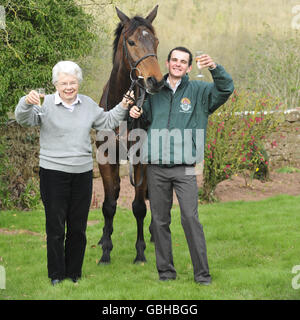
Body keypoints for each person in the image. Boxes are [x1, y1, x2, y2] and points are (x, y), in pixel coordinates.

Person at [15, 60, 136, 286]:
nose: (69, 87)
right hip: (53, 174)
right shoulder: (45, 103)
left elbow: (108, 121)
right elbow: (24, 119)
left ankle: (74, 274)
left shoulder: (88, 105)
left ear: (78, 83)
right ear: (55, 84)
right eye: (64, 83)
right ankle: (56, 275)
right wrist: (25, 102)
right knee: (55, 226)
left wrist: (124, 105)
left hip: (81, 175)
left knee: (78, 227)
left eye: (72, 82)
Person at [130, 47, 234, 284]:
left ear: (188, 67)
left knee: (190, 218)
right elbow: (144, 117)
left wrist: (214, 68)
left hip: (185, 166)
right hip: (156, 165)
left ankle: (202, 275)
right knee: (159, 221)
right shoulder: (153, 90)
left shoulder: (200, 91)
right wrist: (135, 110)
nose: (178, 64)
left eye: (183, 61)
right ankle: (166, 273)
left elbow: (226, 88)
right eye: (174, 60)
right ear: (167, 63)